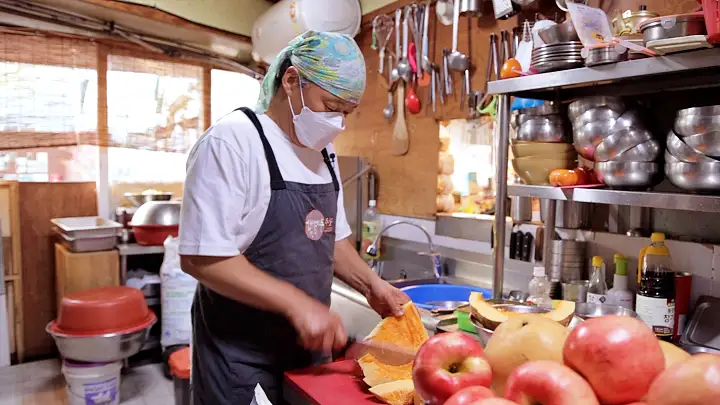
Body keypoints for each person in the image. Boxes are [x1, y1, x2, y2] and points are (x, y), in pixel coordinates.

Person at [178, 31, 410, 405]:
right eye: (330, 105)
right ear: (291, 81)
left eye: (346, 113)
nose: (338, 122)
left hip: (308, 355)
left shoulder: (324, 153)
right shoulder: (233, 142)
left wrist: (371, 286)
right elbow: (202, 257)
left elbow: (328, 238)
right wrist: (297, 304)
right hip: (241, 360)